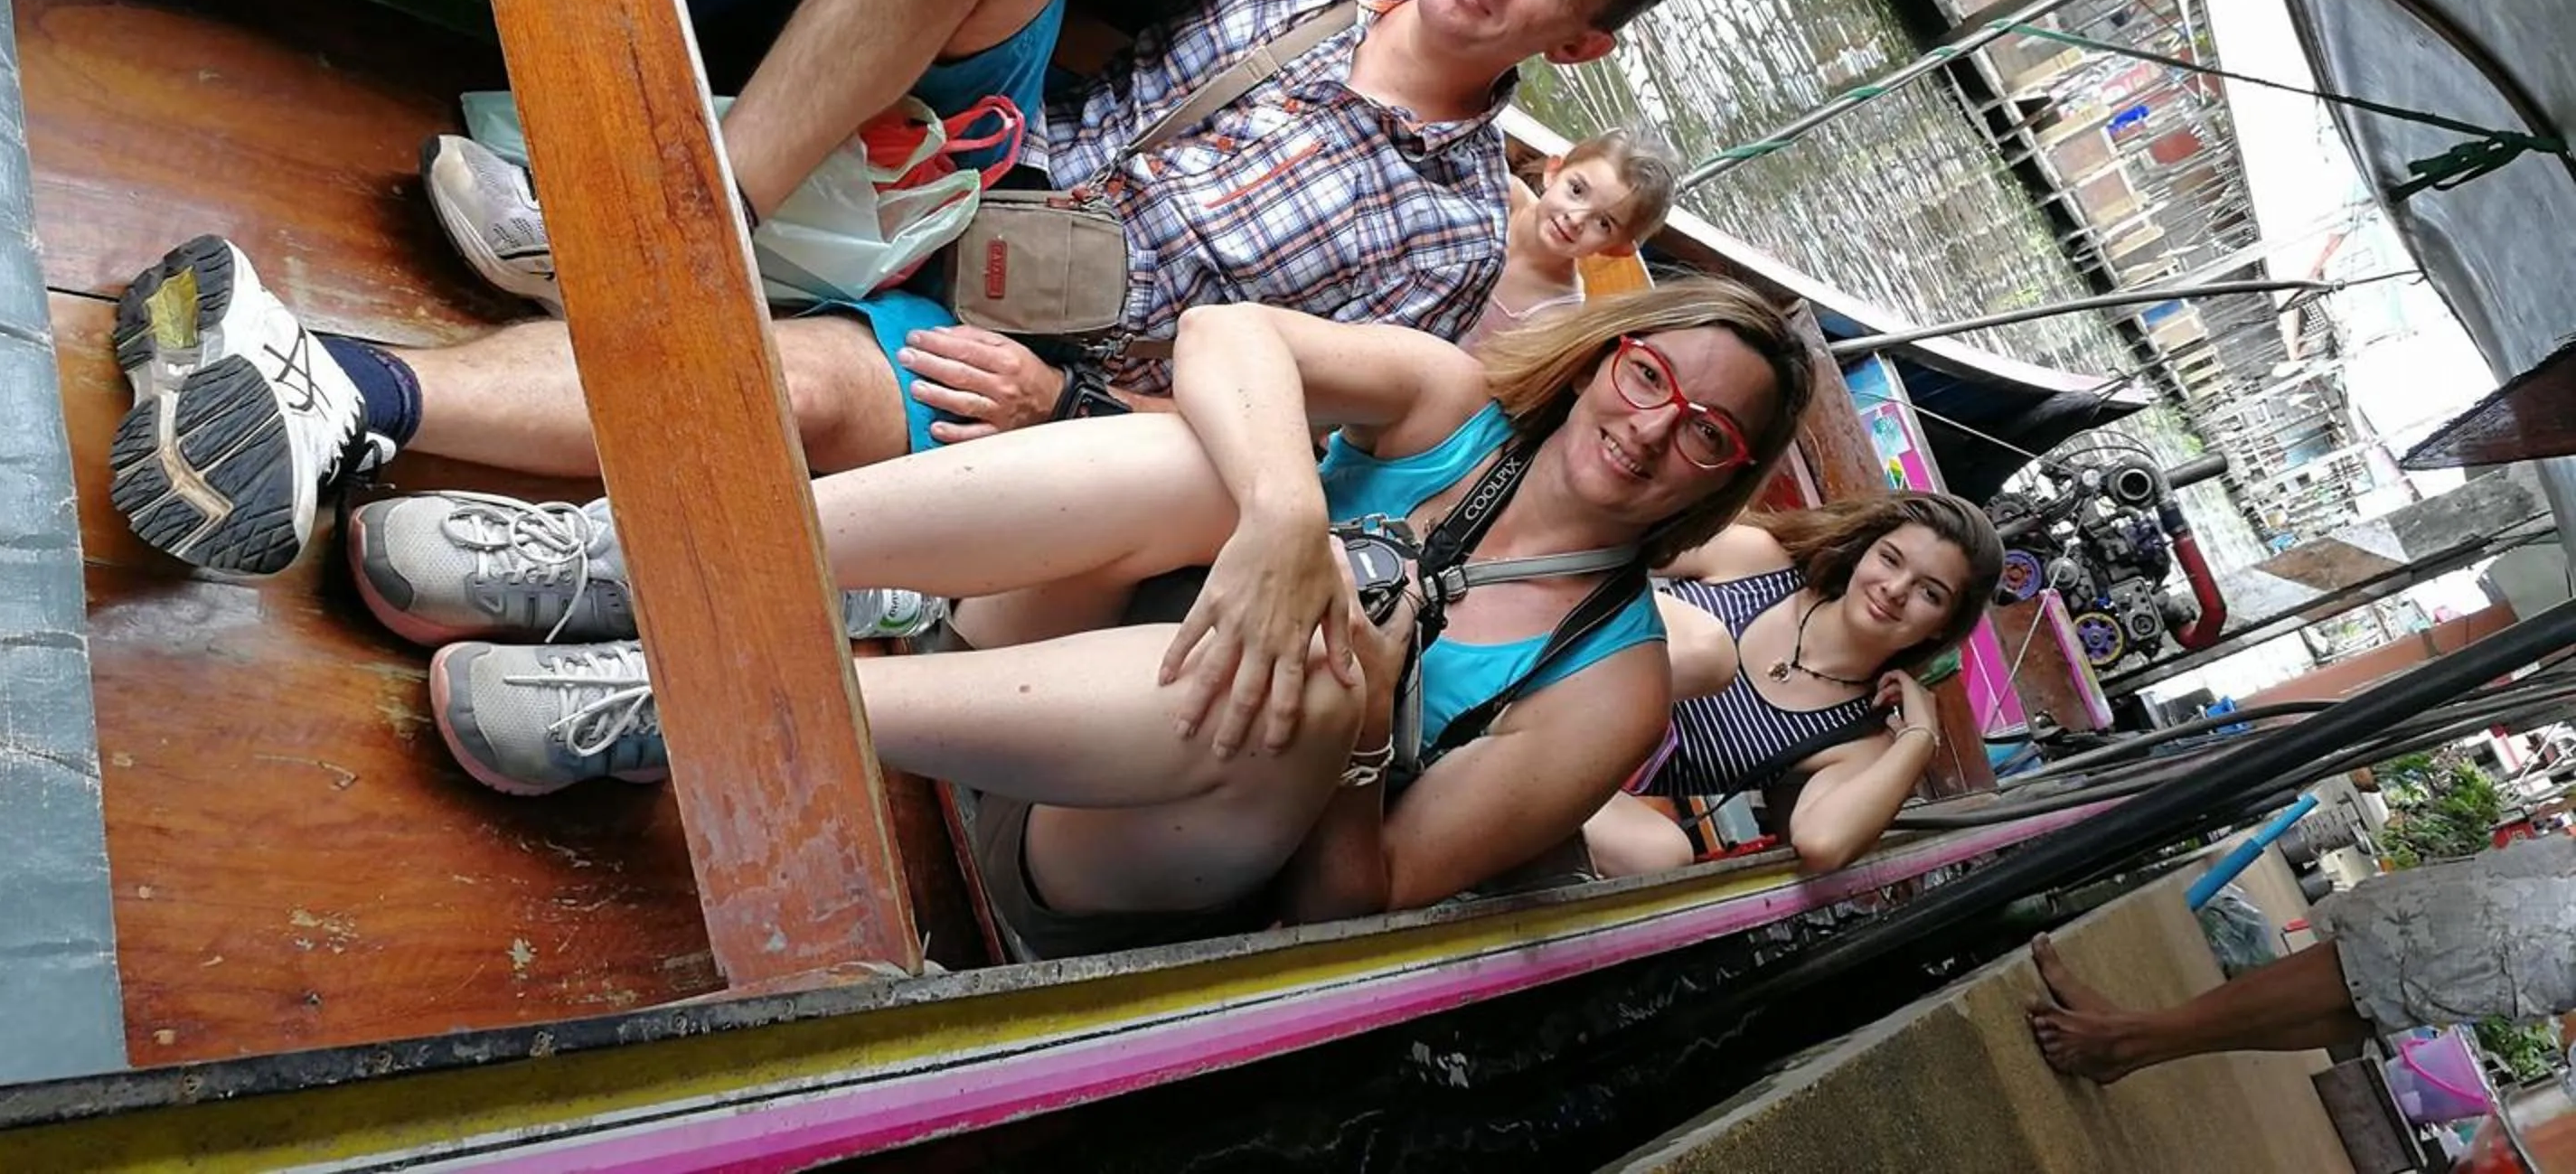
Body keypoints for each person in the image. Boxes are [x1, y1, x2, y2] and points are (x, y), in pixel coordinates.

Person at [107, 0, 1706, 578]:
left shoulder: (1442, 239)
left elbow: (1266, 433)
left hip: (1025, 365)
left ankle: (343, 395)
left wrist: (1063, 420)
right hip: (978, 174)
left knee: (806, 383)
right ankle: (703, 213)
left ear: (1575, 45)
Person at [347, 278, 1813, 958]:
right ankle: (627, 557)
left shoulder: (1608, 682)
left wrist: (1365, 726)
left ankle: (701, 701)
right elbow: (1233, 336)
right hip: (1008, 649)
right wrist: (1287, 514)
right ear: (1610, 358)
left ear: (1728, 478)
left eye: (1705, 434)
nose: (1653, 426)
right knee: (1217, 452)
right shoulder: (1452, 400)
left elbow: (1350, 907)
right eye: (1651, 380)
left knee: (1309, 682)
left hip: (1109, 852)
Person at [1580, 492, 2005, 877]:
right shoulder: (1761, 562)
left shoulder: (1857, 739)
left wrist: (1919, 739)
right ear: (1864, 552)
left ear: (1942, 628)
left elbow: (1822, 845)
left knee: (1660, 856)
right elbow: (1607, 548)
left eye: (1929, 593)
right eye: (1890, 559)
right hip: (1556, 668)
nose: (1894, 589)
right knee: (1710, 656)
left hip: (1578, 777)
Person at [2029, 831, 2576, 1084]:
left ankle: (2125, 1040)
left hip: (2543, 927)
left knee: (2369, 962)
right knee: (2368, 1000)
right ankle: (2133, 1045)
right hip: (2548, 911)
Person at [1463, 128, 1678, 350]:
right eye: (1577, 190)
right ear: (1554, 171)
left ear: (1616, 249)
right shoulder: (1500, 196)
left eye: (1604, 223)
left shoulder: (1557, 315)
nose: (1576, 219)